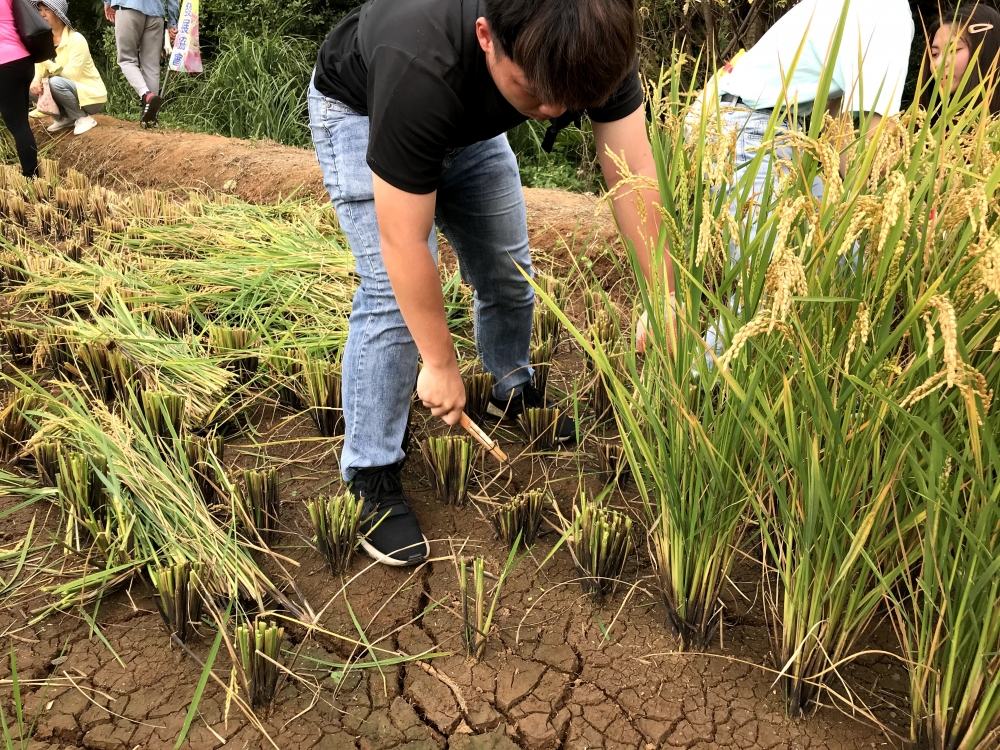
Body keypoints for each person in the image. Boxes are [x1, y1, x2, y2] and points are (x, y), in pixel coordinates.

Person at [309, 0, 669, 567]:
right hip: (364, 112)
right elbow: (403, 241)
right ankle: (370, 470)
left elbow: (634, 173)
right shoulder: (418, 58)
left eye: (570, 97)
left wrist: (663, 294)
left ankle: (511, 385)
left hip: (471, 126)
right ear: (486, 35)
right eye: (535, 90)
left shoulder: (593, 33)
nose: (552, 110)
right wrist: (441, 362)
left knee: (509, 267)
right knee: (390, 299)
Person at [30, 0, 106, 136]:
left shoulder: (77, 39)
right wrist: (35, 80)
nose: (42, 14)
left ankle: (83, 118)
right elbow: (38, 69)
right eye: (39, 10)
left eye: (47, 10)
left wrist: (45, 60)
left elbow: (71, 75)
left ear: (58, 14)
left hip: (91, 97)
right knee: (28, 84)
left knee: (55, 83)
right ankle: (63, 119)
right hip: (65, 90)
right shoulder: (43, 41)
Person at [102, 0, 178, 126]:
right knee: (151, 65)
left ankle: (146, 95)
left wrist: (107, 3)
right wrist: (172, 22)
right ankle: (152, 118)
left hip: (128, 7)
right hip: (156, 12)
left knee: (126, 59)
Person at [922, 5, 1000, 116]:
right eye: (934, 54)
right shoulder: (925, 128)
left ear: (987, 50)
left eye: (954, 50)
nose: (937, 64)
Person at [0, 0, 38, 176]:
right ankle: (33, 171)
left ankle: (31, 176)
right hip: (24, 59)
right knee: (22, 123)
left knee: (17, 126)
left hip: (5, 64)